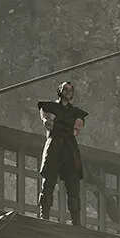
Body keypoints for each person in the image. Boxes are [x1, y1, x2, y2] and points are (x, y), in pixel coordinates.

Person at [37, 81, 88, 225]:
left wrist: (58, 122)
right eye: (65, 89)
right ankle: (44, 215)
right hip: (54, 146)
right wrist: (68, 127)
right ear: (59, 90)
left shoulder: (77, 113)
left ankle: (76, 221)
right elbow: (48, 124)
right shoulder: (48, 107)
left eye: (70, 90)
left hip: (70, 149)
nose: (68, 92)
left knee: (73, 185)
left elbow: (77, 129)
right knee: (48, 182)